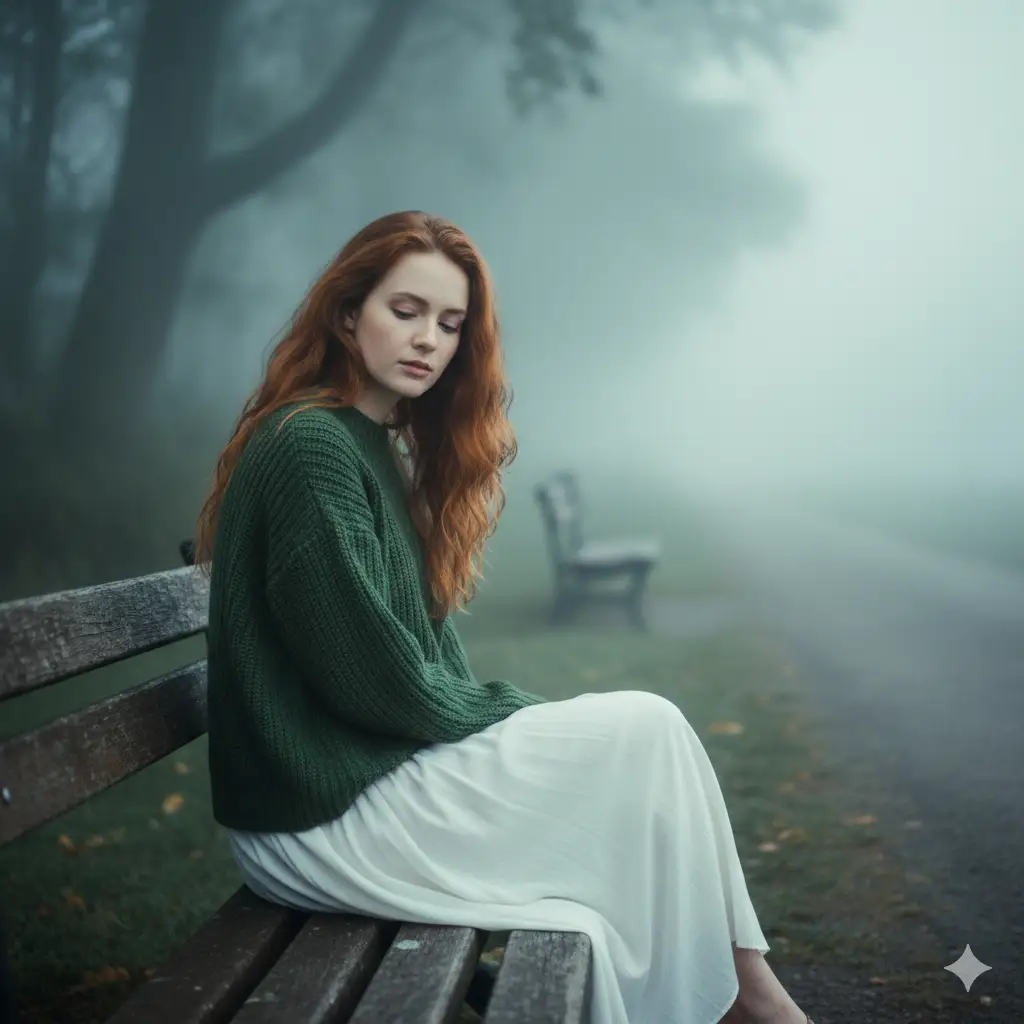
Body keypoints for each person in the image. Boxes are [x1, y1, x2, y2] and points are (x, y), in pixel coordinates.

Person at [192, 211, 813, 1024]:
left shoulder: (368, 444)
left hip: (359, 782)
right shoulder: (311, 448)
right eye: (405, 311)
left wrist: (509, 722)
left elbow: (424, 659)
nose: (429, 340)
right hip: (317, 815)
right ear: (347, 315)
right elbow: (377, 680)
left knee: (594, 908)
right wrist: (516, 714)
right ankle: (756, 1004)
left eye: (450, 324)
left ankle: (747, 999)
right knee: (647, 730)